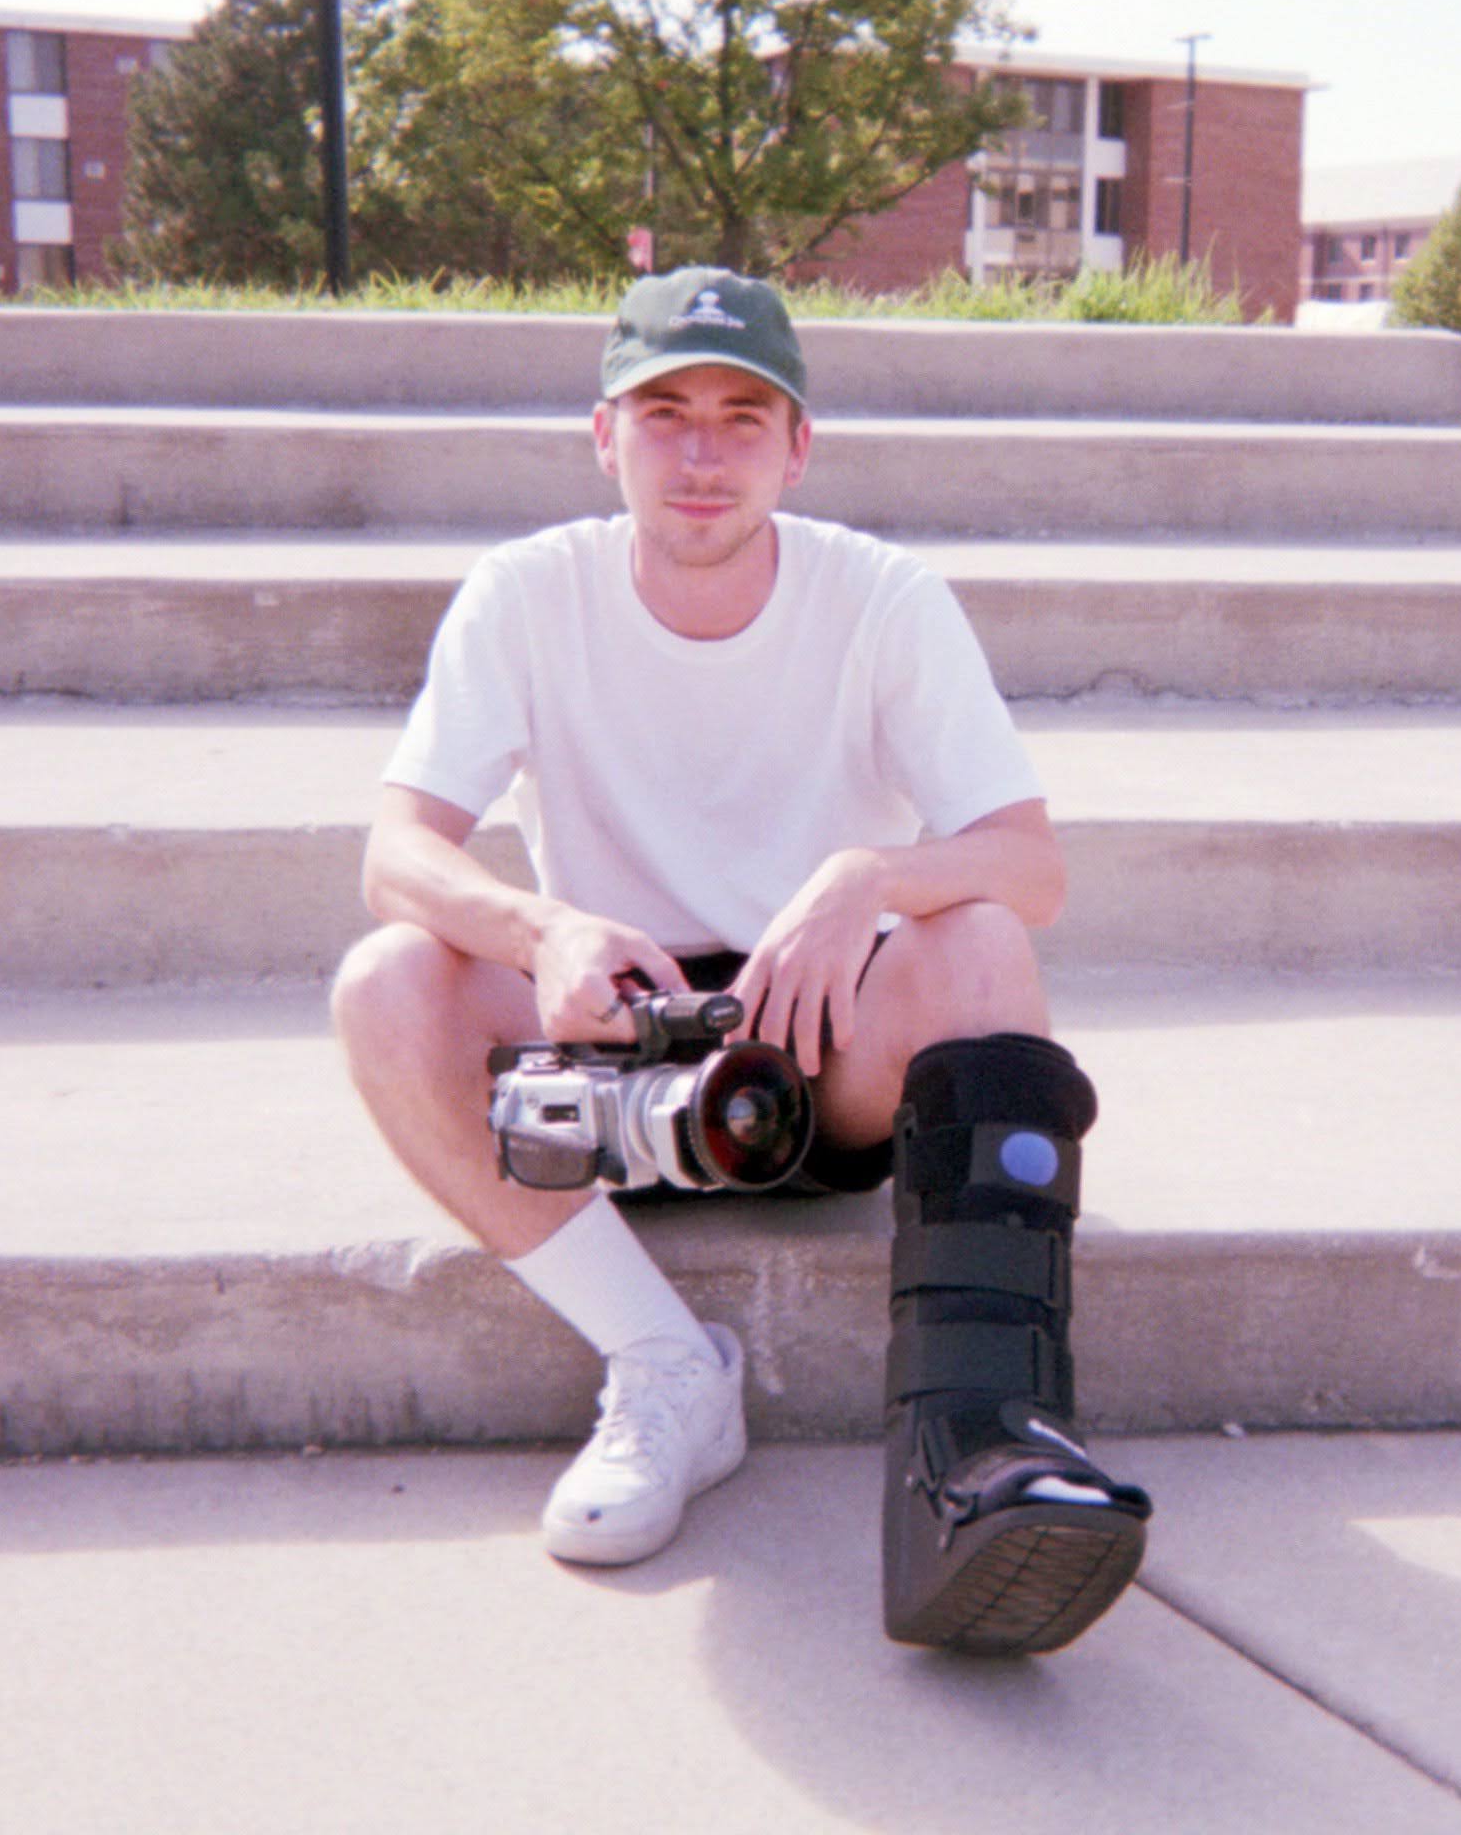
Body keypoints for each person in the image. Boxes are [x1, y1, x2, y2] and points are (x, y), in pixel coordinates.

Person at [330, 266, 1149, 1655]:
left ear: (797, 446)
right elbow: (395, 851)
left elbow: (1033, 865)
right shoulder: (528, 592)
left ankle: (985, 1438)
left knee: (979, 935)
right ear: (605, 436)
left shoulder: (880, 596)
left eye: (741, 417)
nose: (702, 455)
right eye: (665, 414)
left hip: (821, 1051)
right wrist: (541, 927)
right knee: (385, 981)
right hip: (613, 1060)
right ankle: (663, 1364)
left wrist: (871, 876)